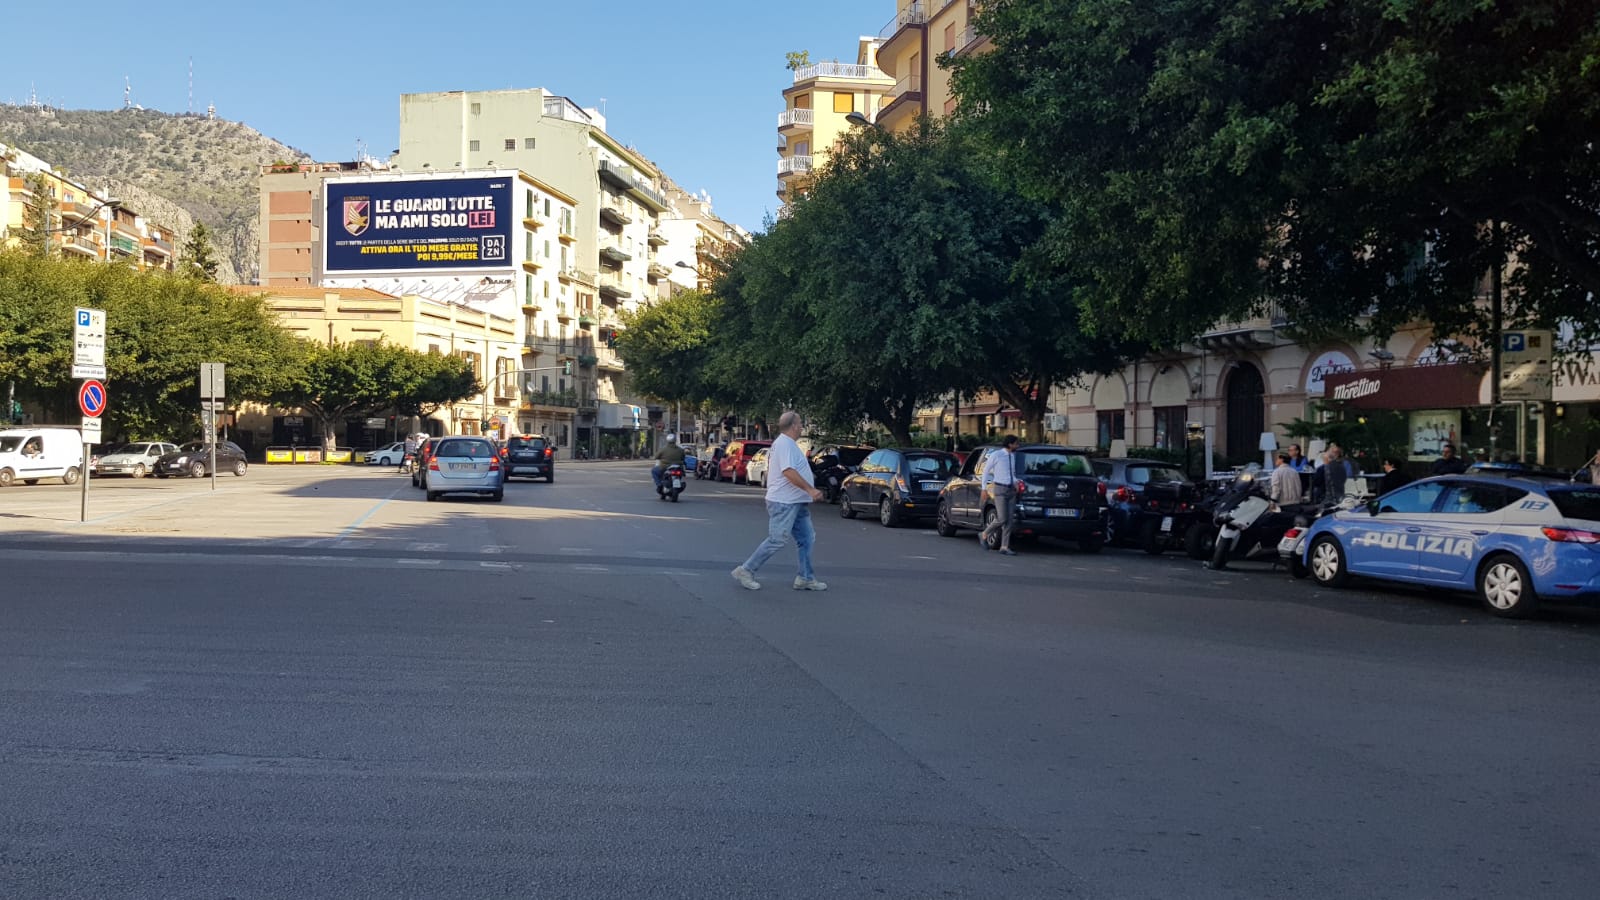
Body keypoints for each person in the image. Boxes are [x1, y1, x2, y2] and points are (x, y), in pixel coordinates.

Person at [732, 411, 826, 592]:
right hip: (785, 502)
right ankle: (746, 570)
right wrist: (810, 489)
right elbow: (788, 471)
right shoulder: (785, 444)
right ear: (794, 426)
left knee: (806, 538)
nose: (802, 426)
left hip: (795, 502)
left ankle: (805, 577)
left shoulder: (787, 444)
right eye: (800, 423)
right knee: (777, 539)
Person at [979, 435, 1022, 556]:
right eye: (1016, 443)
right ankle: (984, 534)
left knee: (1009, 520)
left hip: (1011, 489)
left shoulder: (1012, 456)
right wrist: (984, 488)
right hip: (1000, 488)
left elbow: (1011, 472)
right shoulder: (997, 455)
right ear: (1010, 444)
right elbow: (986, 471)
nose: (1017, 446)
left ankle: (1004, 546)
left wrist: (1016, 482)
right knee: (1002, 518)